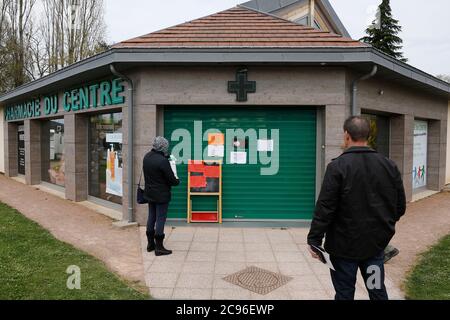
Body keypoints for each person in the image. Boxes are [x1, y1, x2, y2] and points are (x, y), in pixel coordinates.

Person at [307, 116, 406, 300]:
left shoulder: (337, 167)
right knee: (376, 291)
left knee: (344, 294)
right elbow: (400, 206)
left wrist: (314, 239)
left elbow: (325, 208)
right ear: (368, 136)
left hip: (342, 250)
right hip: (374, 248)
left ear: (346, 135)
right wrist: (383, 227)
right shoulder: (389, 165)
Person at [143, 136, 180, 256]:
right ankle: (159, 248)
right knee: (160, 219)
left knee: (151, 217)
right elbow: (171, 180)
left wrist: (165, 157)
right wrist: (177, 180)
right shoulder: (163, 161)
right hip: (161, 195)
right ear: (163, 147)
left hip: (149, 193)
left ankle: (150, 245)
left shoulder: (147, 157)